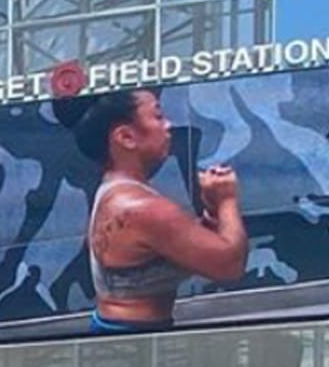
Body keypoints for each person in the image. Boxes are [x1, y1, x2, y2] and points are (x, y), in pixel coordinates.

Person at [56, 88, 247, 333]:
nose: (168, 125)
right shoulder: (142, 208)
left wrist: (211, 209)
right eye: (158, 116)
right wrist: (227, 200)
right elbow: (229, 265)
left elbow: (189, 247)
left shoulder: (116, 191)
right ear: (126, 137)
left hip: (122, 330)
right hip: (132, 339)